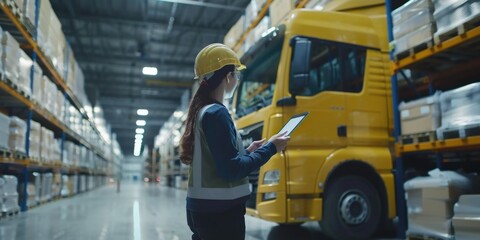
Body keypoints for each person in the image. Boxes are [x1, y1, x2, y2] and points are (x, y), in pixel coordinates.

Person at [179, 43, 290, 240]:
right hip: (220, 214)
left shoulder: (203, 112)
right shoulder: (217, 113)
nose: (237, 78)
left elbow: (216, 159)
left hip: (204, 211)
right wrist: (272, 147)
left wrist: (247, 151)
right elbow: (232, 170)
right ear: (227, 77)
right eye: (235, 73)